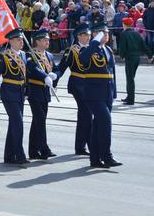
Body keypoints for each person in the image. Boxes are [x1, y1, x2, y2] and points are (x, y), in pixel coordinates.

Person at [0, 28, 33, 165]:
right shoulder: (3, 56)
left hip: (19, 93)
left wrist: (27, 91)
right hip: (9, 92)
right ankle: (19, 155)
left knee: (14, 124)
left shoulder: (23, 55)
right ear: (11, 41)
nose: (21, 42)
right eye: (18, 40)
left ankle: (9, 155)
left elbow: (25, 75)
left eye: (21, 39)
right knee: (18, 123)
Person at [79, 23, 121, 168]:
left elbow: (111, 72)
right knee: (105, 121)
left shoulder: (108, 49)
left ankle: (95, 159)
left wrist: (114, 93)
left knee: (98, 125)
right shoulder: (88, 49)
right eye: (103, 33)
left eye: (107, 33)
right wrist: (94, 42)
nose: (107, 35)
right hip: (93, 93)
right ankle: (107, 156)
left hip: (107, 93)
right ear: (97, 35)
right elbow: (83, 60)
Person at [57, 24, 91, 155]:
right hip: (77, 84)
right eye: (85, 35)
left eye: (89, 35)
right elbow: (62, 67)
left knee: (85, 116)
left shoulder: (91, 49)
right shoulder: (72, 50)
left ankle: (81, 146)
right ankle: (84, 146)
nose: (88, 37)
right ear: (79, 36)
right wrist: (53, 79)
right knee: (86, 114)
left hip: (90, 86)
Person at [27, 29, 59, 159]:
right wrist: (45, 76)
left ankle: (33, 151)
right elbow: (32, 68)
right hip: (34, 90)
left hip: (45, 92)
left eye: (48, 40)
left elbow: (56, 69)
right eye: (45, 40)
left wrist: (55, 75)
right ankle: (43, 148)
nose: (47, 42)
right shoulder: (31, 54)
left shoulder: (49, 55)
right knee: (40, 120)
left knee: (38, 121)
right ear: (37, 41)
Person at [117, 16, 152, 105]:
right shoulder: (136, 33)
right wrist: (150, 55)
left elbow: (122, 47)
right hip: (137, 58)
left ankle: (130, 99)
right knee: (131, 78)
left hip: (130, 58)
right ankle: (129, 96)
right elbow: (143, 45)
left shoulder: (124, 34)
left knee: (130, 79)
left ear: (124, 24)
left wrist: (122, 56)